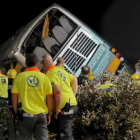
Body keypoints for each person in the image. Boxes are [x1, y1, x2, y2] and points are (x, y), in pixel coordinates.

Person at [11, 53, 54, 140]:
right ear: (37, 63)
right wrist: (49, 113)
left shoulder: (19, 77)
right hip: (41, 115)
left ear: (26, 64)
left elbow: (14, 97)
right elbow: (50, 98)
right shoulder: (45, 78)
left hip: (25, 115)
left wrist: (16, 113)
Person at [42, 54, 78, 140]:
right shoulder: (60, 70)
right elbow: (74, 80)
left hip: (63, 108)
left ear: (43, 66)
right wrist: (72, 95)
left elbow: (57, 91)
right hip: (72, 104)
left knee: (65, 136)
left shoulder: (49, 74)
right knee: (61, 134)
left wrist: (57, 108)